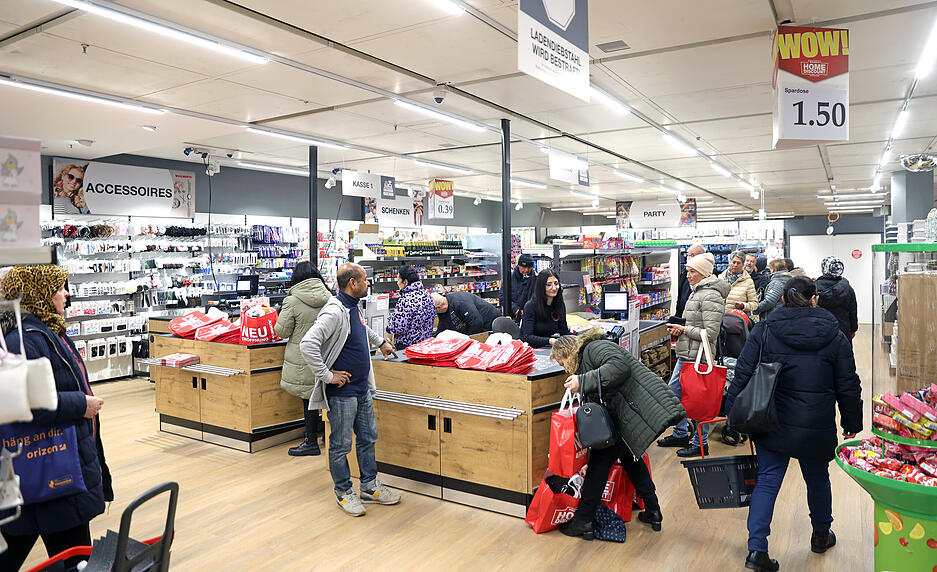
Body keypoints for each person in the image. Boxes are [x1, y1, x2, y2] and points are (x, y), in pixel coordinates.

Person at [724, 277, 862, 572]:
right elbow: (848, 382)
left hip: (770, 417)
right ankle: (821, 535)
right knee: (817, 478)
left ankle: (756, 551)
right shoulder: (834, 333)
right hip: (816, 420)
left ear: (783, 299)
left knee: (769, 478)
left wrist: (731, 414)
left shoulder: (765, 329)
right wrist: (852, 420)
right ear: (815, 299)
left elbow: (743, 372)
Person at [0, 265, 112, 570]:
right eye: (58, 287)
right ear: (36, 293)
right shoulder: (23, 340)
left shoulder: (45, 331)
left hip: (55, 465)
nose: (66, 294)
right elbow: (21, 402)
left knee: (48, 548)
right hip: (52, 467)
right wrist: (80, 404)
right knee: (75, 558)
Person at [549, 328, 685, 539]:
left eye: (562, 363)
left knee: (598, 466)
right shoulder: (586, 359)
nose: (566, 370)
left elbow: (619, 366)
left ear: (568, 353)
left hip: (630, 411)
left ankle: (583, 520)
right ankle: (653, 510)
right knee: (632, 459)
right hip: (624, 416)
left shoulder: (594, 348)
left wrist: (582, 381)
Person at [299, 262, 401, 517]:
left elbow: (360, 331)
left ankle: (369, 486)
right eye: (365, 280)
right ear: (353, 283)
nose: (369, 284)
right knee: (341, 445)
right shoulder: (334, 311)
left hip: (361, 389)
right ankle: (344, 492)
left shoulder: (352, 307)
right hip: (342, 393)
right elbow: (307, 343)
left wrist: (382, 343)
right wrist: (327, 375)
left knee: (368, 439)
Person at [657, 253, 728, 457]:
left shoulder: (711, 295)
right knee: (674, 395)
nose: (688, 275)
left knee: (699, 401)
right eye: (687, 271)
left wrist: (684, 329)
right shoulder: (697, 291)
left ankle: (700, 443)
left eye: (692, 271)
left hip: (700, 358)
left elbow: (711, 334)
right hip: (687, 354)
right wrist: (681, 329)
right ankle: (680, 432)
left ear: (703, 273)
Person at [274, 261, 333, 457]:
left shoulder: (292, 301)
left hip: (303, 357)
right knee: (325, 397)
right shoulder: (329, 296)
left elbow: (281, 331)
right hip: (326, 354)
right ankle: (327, 435)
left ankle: (310, 441)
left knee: (308, 399)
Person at [387, 265, 435, 349]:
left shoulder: (406, 299)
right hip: (425, 344)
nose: (397, 283)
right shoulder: (427, 295)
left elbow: (399, 327)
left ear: (405, 282)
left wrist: (388, 327)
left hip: (408, 346)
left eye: (398, 279)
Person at [520, 268, 571, 348]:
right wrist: (549, 341)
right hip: (531, 350)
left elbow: (564, 332)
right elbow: (527, 337)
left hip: (548, 348)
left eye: (556, 283)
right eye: (549, 284)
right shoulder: (530, 306)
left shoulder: (559, 305)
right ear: (541, 287)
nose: (554, 288)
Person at [816, 256, 858, 340]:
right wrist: (853, 329)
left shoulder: (815, 287)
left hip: (820, 329)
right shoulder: (847, 288)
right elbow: (852, 311)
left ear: (824, 270)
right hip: (843, 329)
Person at [432, 292, 500, 336]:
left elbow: (476, 323)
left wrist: (467, 340)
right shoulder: (443, 309)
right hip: (475, 326)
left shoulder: (460, 302)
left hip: (490, 325)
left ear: (439, 307)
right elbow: (442, 325)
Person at [500, 254, 537, 320]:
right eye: (523, 267)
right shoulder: (509, 278)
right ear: (519, 265)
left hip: (530, 316)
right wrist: (516, 310)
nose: (526, 270)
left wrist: (529, 310)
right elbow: (502, 297)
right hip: (512, 316)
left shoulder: (536, 279)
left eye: (529, 267)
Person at [721, 251, 759, 315]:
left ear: (743, 264)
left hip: (737, 320)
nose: (735, 265)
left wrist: (743, 306)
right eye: (733, 262)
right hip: (720, 318)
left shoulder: (748, 281)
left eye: (738, 263)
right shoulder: (721, 278)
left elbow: (755, 304)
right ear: (730, 262)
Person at [676, 244, 705, 318]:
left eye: (693, 255)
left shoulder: (709, 275)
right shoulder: (684, 274)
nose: (690, 258)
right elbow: (680, 299)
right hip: (684, 319)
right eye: (689, 255)